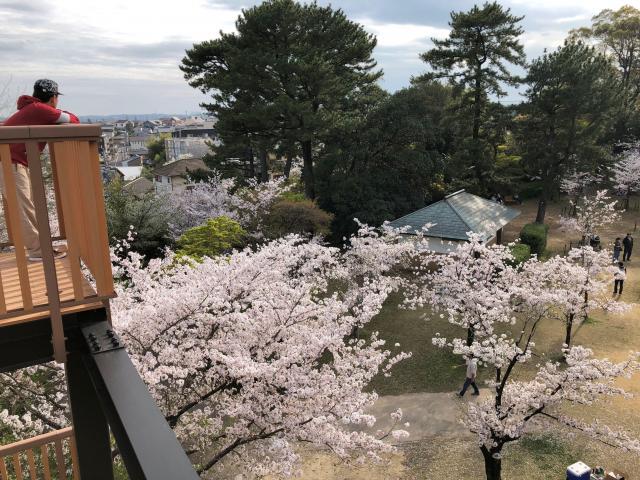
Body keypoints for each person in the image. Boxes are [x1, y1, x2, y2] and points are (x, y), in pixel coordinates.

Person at [1, 79, 79, 261]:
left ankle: (40, 248)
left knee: (26, 206)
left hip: (11, 161)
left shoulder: (32, 109)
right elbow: (73, 120)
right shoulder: (39, 110)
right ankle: (38, 252)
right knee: (24, 208)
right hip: (9, 162)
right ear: (53, 98)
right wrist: (59, 113)